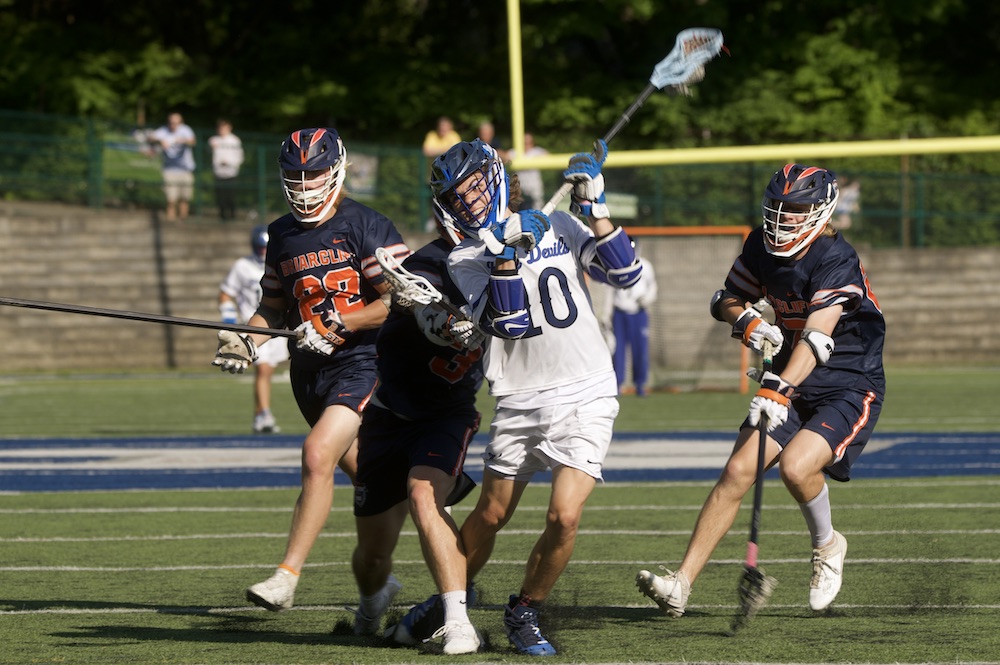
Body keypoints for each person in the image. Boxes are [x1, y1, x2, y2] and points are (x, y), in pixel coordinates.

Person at [388, 138, 642, 656]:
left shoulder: (561, 226)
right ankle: (449, 599)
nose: (470, 200)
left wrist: (595, 208)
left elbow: (626, 273)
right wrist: (504, 254)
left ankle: (525, 609)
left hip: (587, 390)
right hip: (521, 397)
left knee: (564, 516)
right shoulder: (463, 258)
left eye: (475, 186)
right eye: (458, 195)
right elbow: (511, 323)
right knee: (489, 515)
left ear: (496, 177)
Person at [636, 163, 886, 618]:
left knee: (795, 467)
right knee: (736, 472)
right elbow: (725, 299)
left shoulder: (836, 257)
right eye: (777, 208)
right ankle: (681, 584)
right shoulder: (759, 244)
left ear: (820, 211)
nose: (782, 219)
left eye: (794, 210)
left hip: (846, 381)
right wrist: (747, 321)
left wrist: (780, 389)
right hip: (791, 376)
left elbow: (817, 339)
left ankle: (828, 546)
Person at [211, 127, 410, 620]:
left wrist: (343, 320)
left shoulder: (367, 224)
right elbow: (273, 309)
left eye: (314, 172)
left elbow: (400, 301)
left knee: (317, 453)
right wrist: (246, 339)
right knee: (380, 489)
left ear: (336, 168)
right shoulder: (281, 234)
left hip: (363, 361)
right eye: (295, 175)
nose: (304, 184)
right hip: (309, 375)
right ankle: (377, 596)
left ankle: (287, 576)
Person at [351, 204, 485, 652]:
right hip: (391, 413)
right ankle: (372, 604)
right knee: (372, 556)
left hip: (447, 411)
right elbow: (403, 307)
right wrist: (433, 318)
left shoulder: (508, 265)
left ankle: (457, 621)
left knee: (424, 495)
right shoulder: (427, 263)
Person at [217, 225, 291, 433]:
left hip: (278, 325)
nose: (262, 252)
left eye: (265, 248)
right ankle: (264, 414)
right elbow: (226, 293)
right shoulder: (243, 266)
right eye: (259, 248)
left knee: (271, 369)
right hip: (256, 325)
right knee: (264, 369)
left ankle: (260, 414)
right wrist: (229, 317)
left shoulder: (279, 263)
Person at [606, 236, 658, 396]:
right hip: (620, 312)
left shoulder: (646, 266)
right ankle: (618, 384)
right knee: (618, 350)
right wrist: (607, 313)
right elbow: (610, 290)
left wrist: (646, 300)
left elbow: (652, 287)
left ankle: (640, 384)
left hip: (638, 312)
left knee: (640, 350)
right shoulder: (615, 264)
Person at [149, 112, 196, 221]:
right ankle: (171, 221)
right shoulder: (163, 131)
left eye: (175, 123)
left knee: (185, 198)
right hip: (169, 169)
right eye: (171, 122)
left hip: (185, 168)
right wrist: (161, 141)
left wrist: (183, 140)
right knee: (171, 198)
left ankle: (183, 220)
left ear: (180, 123)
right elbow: (151, 137)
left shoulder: (185, 130)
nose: (173, 125)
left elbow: (193, 141)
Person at [208, 119, 244, 221]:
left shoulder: (234, 140)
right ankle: (222, 215)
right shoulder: (214, 140)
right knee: (220, 196)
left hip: (231, 172)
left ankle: (232, 215)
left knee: (230, 195)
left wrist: (230, 163)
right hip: (218, 172)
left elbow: (239, 156)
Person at [509, 132, 548, 210]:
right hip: (520, 190)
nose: (526, 145)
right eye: (524, 143)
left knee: (537, 211)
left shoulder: (536, 151)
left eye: (528, 142)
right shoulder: (516, 152)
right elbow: (505, 155)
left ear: (532, 143)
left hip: (535, 190)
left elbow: (547, 155)